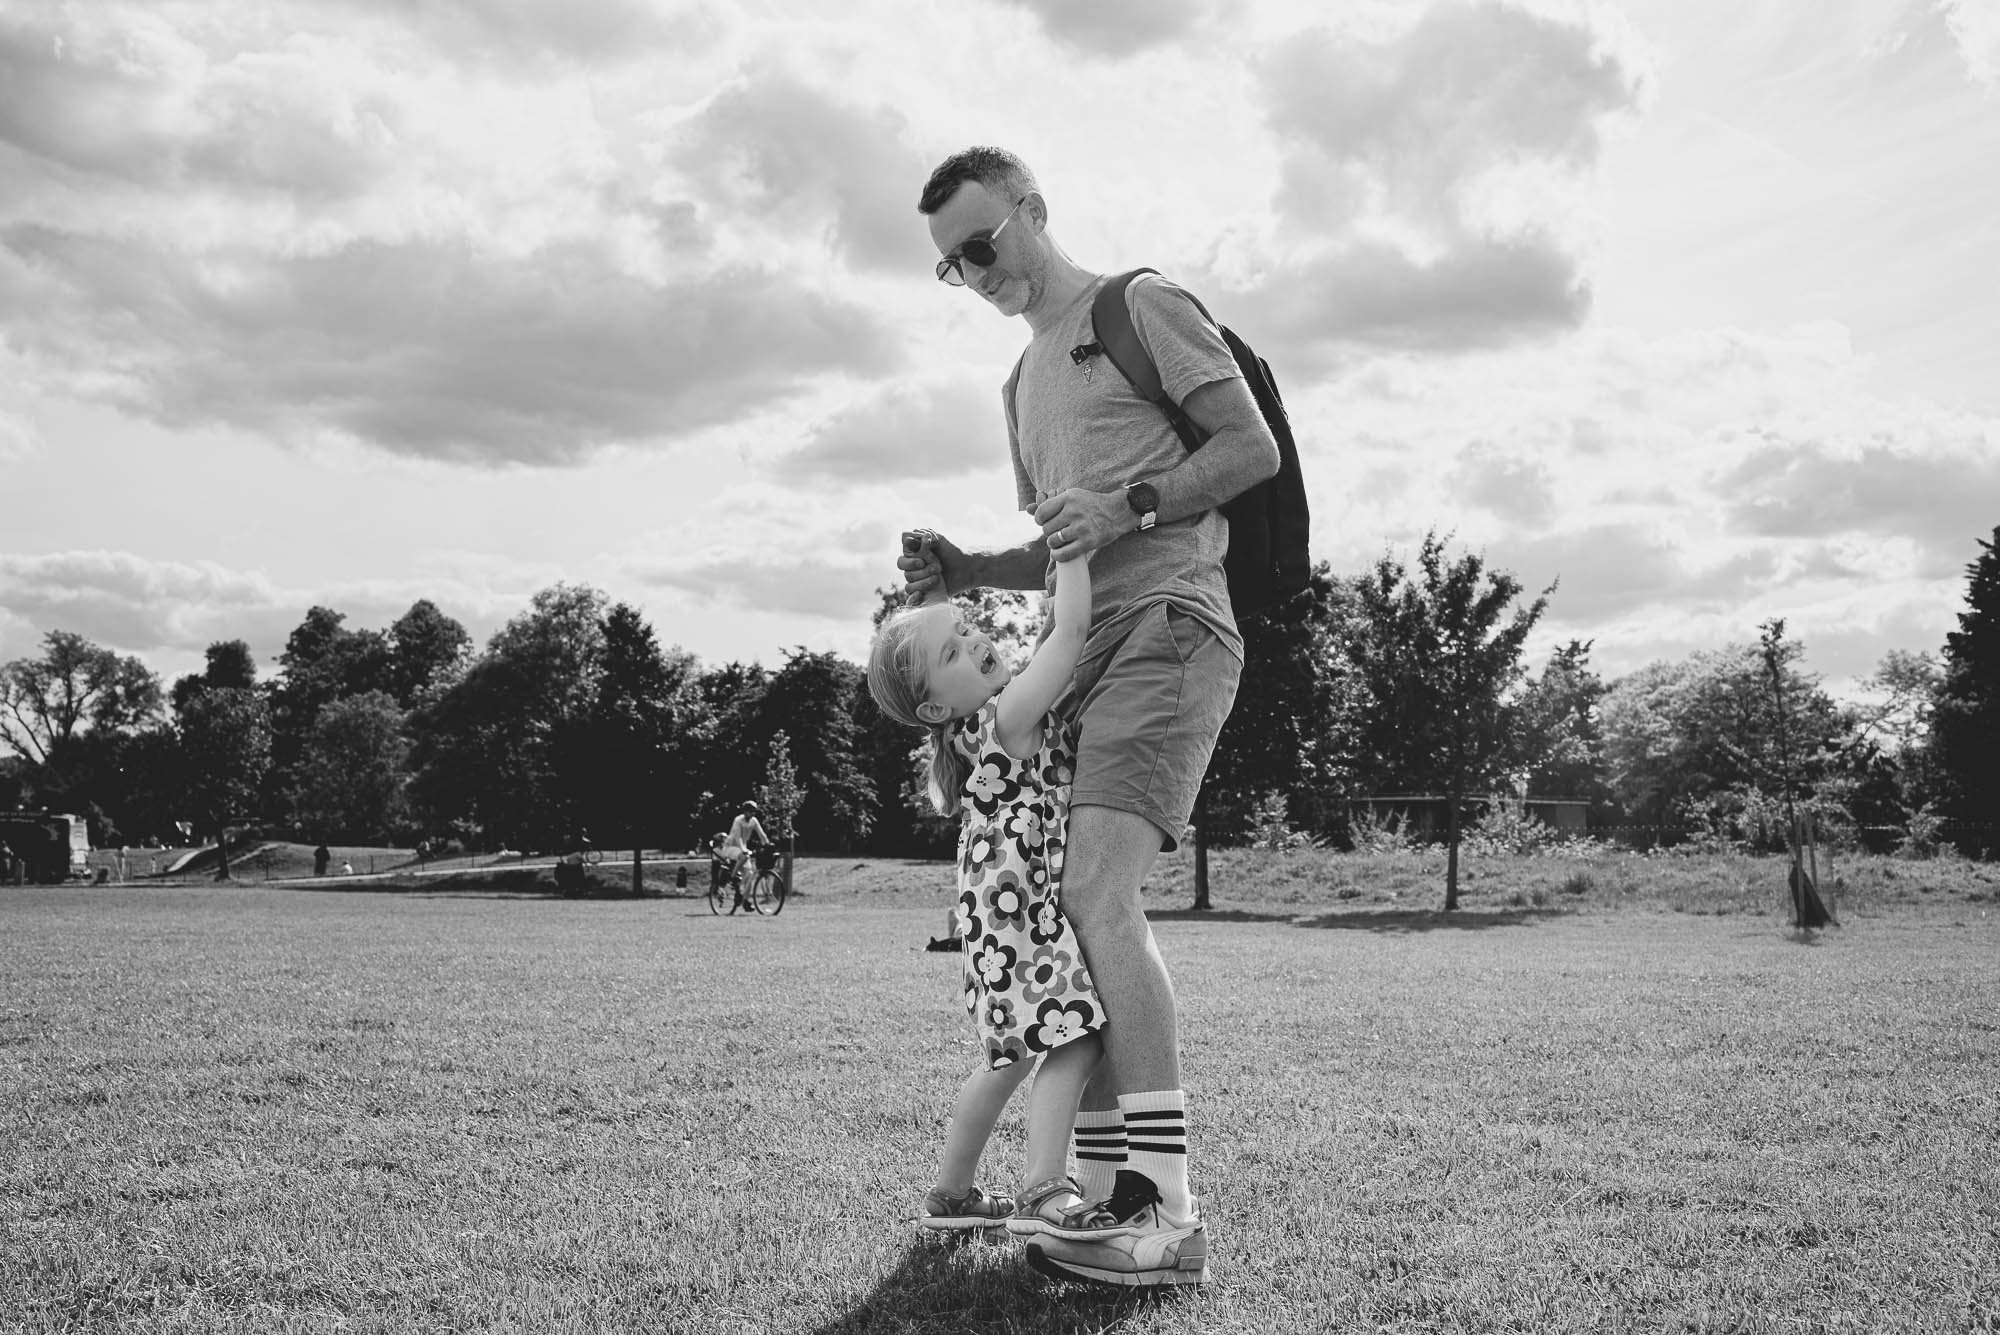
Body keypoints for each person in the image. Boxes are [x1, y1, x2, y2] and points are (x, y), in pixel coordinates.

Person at [901, 146, 1280, 1288]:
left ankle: (1165, 1213)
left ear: (1032, 211)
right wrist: (970, 561)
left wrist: (1128, 499)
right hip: (1081, 660)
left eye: (983, 243)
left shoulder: (1137, 306)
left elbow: (1246, 449)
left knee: (1093, 894)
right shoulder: (1018, 390)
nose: (974, 272)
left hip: (1169, 620)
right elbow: (1061, 543)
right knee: (1079, 920)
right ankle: (1112, 1200)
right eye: (950, 267)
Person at [870, 547, 1134, 1242]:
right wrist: (1073, 553)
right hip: (1020, 919)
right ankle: (1046, 1186)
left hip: (998, 921)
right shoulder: (1005, 718)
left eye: (970, 627)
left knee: (1009, 1056)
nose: (978, 641)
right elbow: (1069, 638)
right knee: (1076, 1042)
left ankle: (951, 1196)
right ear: (934, 703)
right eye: (954, 651)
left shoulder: (978, 729)